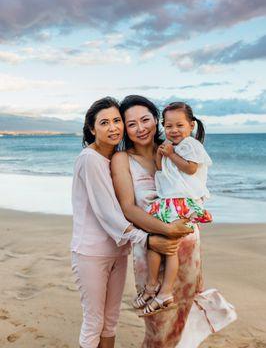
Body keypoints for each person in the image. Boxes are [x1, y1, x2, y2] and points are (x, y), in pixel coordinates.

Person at [111, 95, 236, 348]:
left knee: (183, 314)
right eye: (131, 123)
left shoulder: (176, 147)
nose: (141, 128)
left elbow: (195, 180)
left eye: (145, 120)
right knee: (159, 326)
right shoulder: (122, 158)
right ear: (125, 128)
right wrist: (165, 230)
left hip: (187, 243)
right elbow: (128, 208)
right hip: (154, 244)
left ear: (156, 121)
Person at [71, 97, 192, 348]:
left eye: (116, 121)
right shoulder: (90, 159)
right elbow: (109, 212)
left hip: (119, 248)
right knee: (94, 321)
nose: (113, 127)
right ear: (92, 129)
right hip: (92, 251)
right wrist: (149, 237)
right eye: (105, 123)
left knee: (111, 320)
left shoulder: (111, 156)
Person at [139, 101, 213, 316]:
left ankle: (164, 291)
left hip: (182, 201)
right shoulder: (170, 147)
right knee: (155, 245)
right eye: (168, 126)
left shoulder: (191, 145)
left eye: (179, 125)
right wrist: (161, 155)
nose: (173, 130)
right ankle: (153, 286)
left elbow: (190, 169)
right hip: (168, 201)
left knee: (169, 248)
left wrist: (171, 154)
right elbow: (162, 170)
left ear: (191, 125)